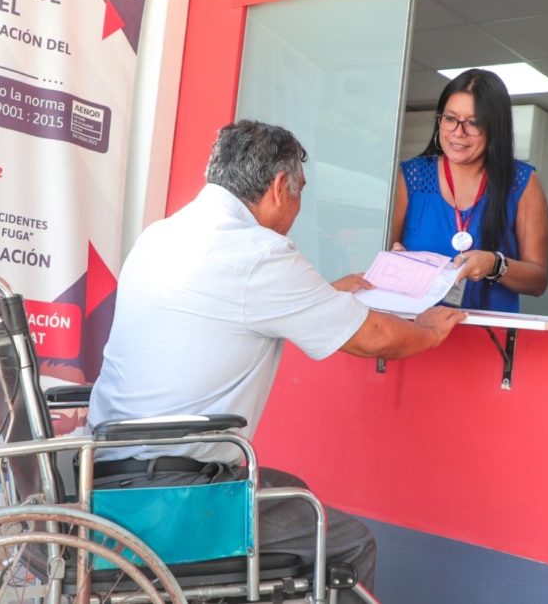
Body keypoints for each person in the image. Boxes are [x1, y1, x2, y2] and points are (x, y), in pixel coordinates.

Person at [87, 119, 465, 602]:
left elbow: (226, 309)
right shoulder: (259, 253)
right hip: (172, 497)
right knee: (348, 543)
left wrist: (324, 295)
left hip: (103, 474)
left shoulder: (161, 235)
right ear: (280, 186)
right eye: (300, 191)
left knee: (291, 490)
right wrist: (430, 330)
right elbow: (372, 338)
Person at [392, 68, 548, 312]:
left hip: (487, 331)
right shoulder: (412, 176)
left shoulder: (521, 181)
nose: (458, 132)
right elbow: (380, 259)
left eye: (474, 123)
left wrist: (495, 264)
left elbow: (538, 281)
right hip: (415, 327)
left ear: (495, 128)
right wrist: (394, 262)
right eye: (450, 118)